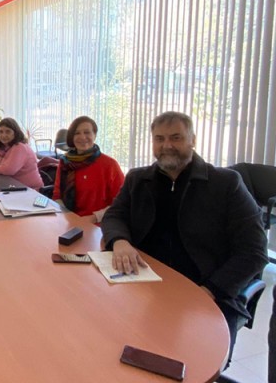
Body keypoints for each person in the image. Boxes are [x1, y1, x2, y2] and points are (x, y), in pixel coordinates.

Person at [101, 111, 268, 360]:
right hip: (144, 286)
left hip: (207, 292)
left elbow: (254, 251)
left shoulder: (226, 184)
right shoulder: (138, 178)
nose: (167, 146)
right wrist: (120, 241)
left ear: (193, 140)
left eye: (176, 137)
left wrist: (211, 290)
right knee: (107, 343)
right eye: (159, 139)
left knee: (186, 362)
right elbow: (115, 215)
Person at [51, 116, 124, 221]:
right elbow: (57, 195)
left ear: (95, 135)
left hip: (99, 224)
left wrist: (93, 218)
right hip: (68, 221)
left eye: (87, 132)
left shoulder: (110, 165)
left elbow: (120, 203)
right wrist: (68, 216)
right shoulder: (65, 162)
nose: (82, 137)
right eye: (77, 133)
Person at [0, 117, 43, 190]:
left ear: (15, 133)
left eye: (8, 131)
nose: (4, 135)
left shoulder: (20, 147)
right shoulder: (2, 146)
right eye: (1, 132)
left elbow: (8, 170)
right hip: (12, 186)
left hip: (31, 190)